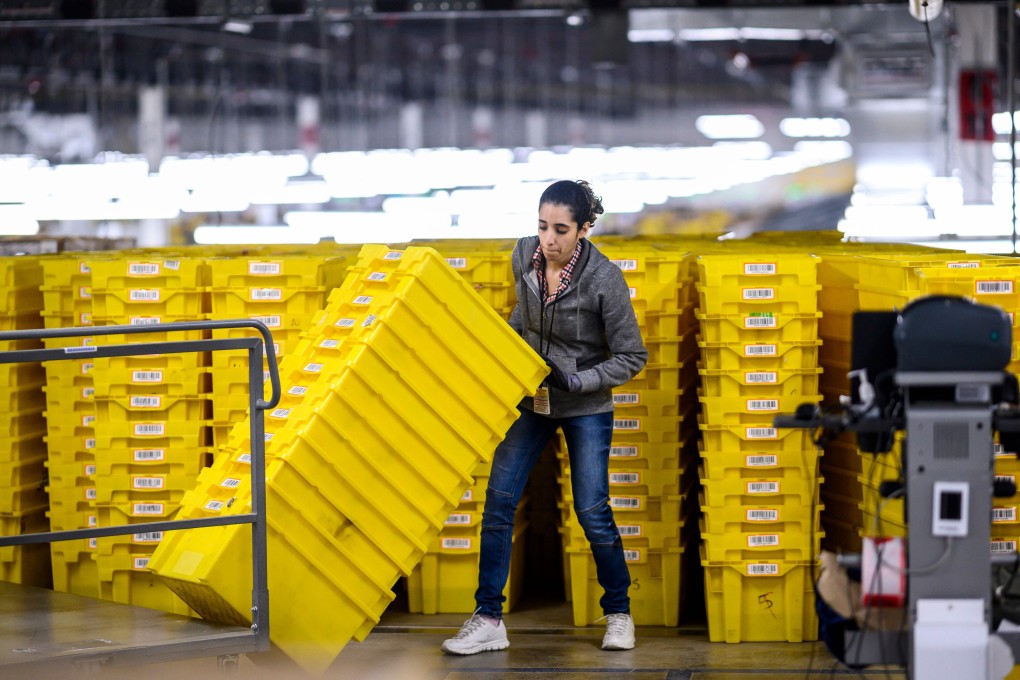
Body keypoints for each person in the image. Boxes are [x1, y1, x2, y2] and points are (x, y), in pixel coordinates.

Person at [441, 179, 648, 655]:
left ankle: (619, 613)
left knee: (592, 512)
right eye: (541, 226)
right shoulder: (523, 257)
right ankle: (489, 617)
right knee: (497, 502)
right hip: (532, 399)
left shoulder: (604, 280)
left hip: (585, 405)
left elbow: (632, 355)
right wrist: (502, 346)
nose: (548, 240)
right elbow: (524, 317)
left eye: (560, 229)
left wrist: (580, 380)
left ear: (584, 229)